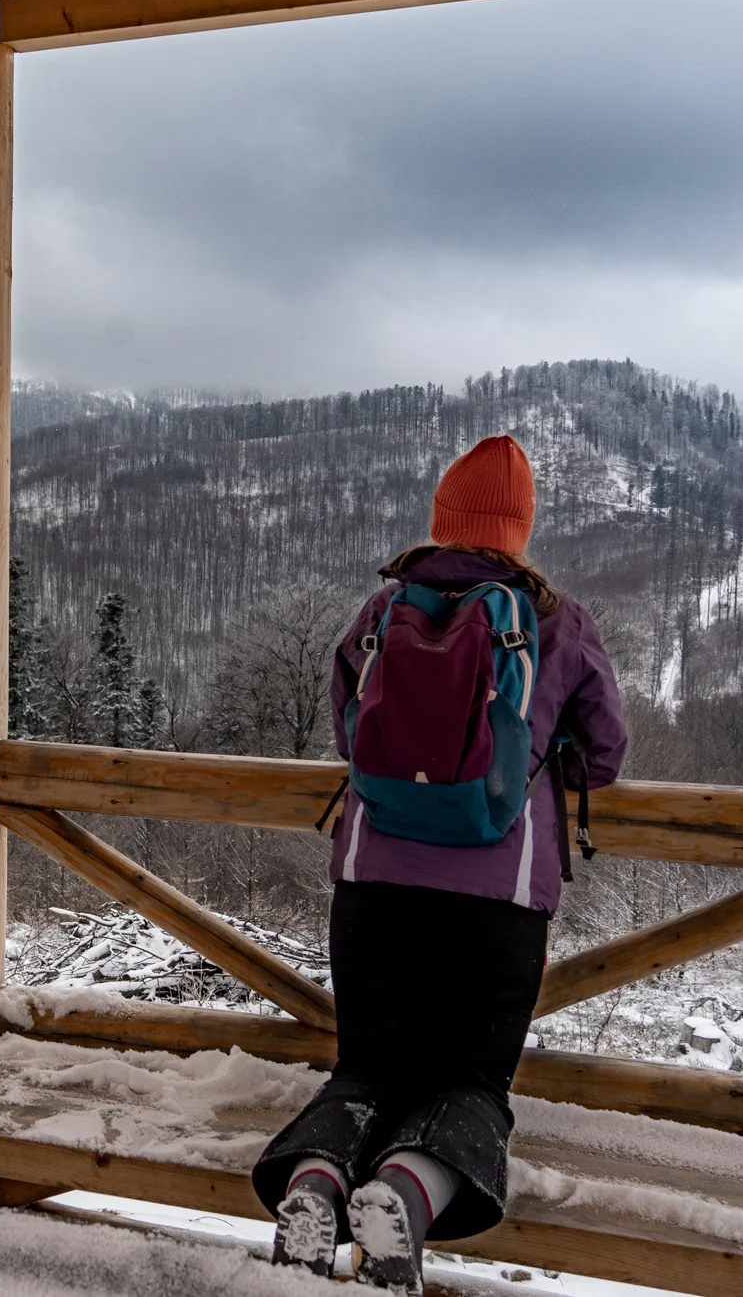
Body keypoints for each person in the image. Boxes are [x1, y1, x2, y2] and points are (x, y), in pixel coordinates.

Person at [256, 436, 626, 1296]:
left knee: (366, 1069)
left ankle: (315, 1184)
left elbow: (354, 733)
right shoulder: (558, 621)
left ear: (441, 518)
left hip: (373, 881)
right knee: (474, 1080)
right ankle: (405, 1194)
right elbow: (602, 754)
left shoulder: (384, 610)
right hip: (496, 900)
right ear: (520, 528)